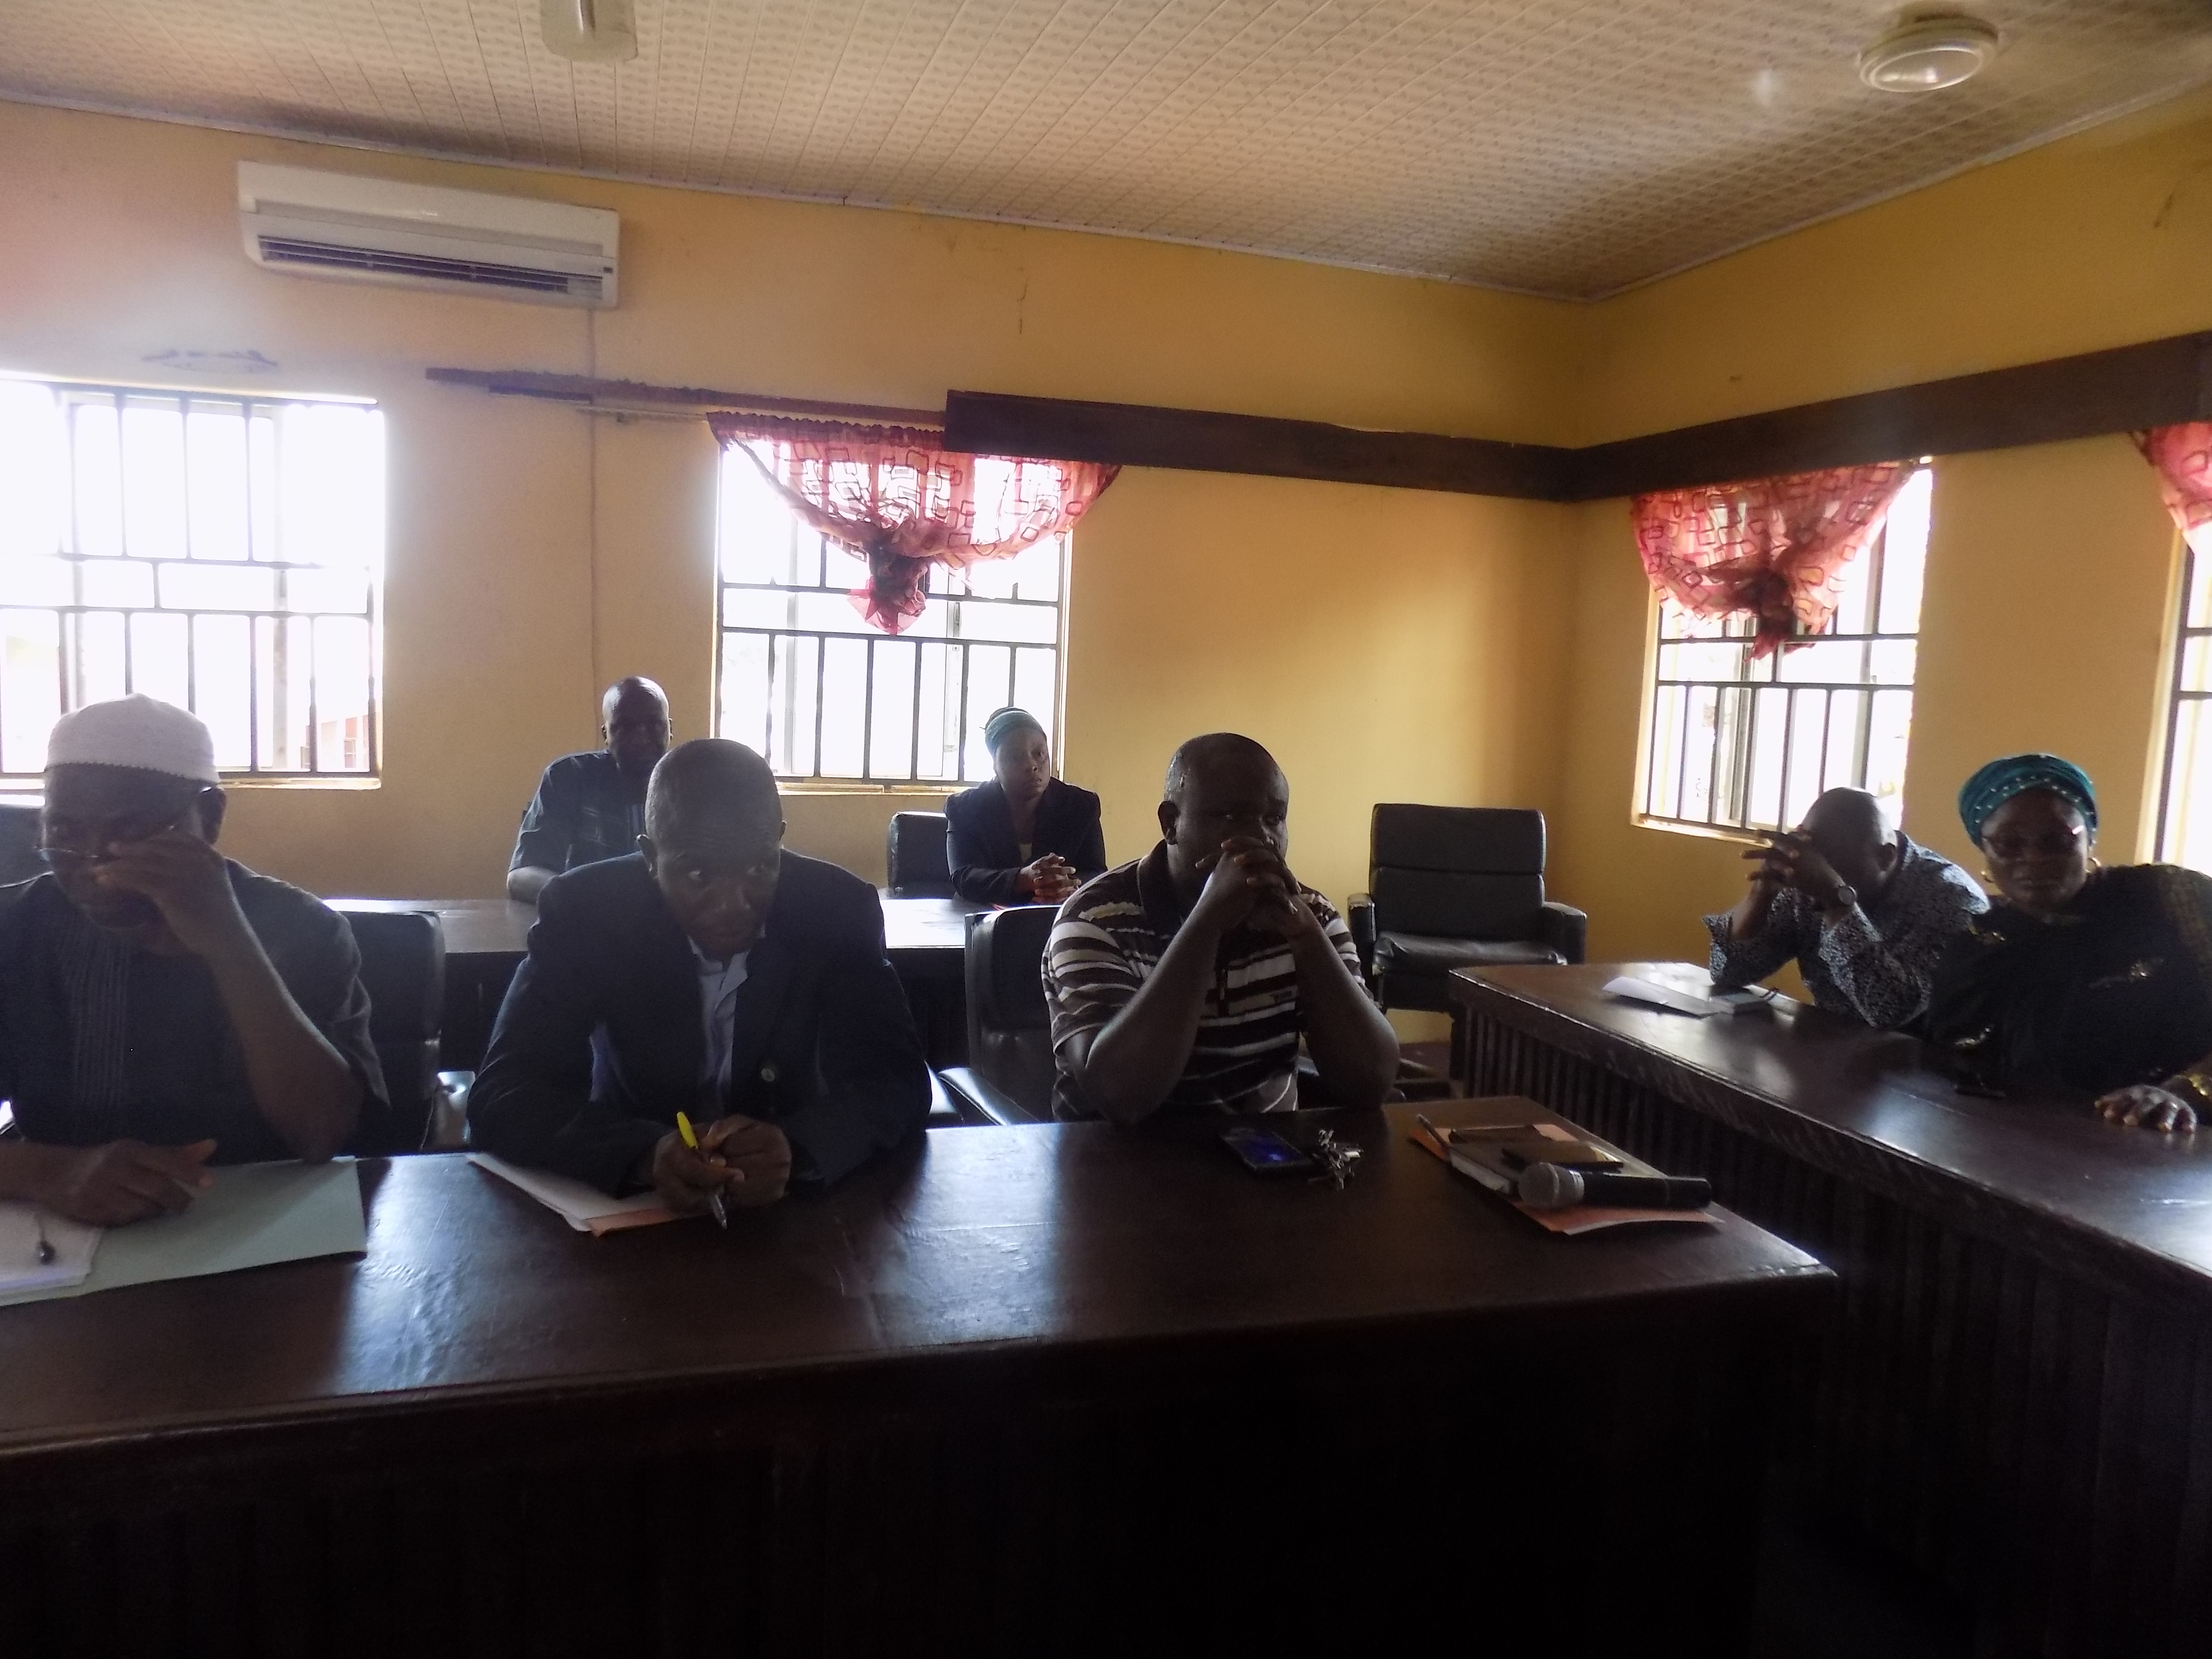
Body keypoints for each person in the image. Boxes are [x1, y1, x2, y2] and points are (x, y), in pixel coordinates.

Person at [470, 738, 930, 1208]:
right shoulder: (587, 912)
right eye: (697, 875)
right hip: (630, 1208)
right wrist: (643, 1153)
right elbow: (504, 1093)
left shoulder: (836, 908)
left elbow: (898, 1081)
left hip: (790, 1207)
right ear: (651, 858)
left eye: (759, 867)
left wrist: (798, 1147)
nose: (733, 904)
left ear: (778, 840)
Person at [0, 696, 386, 1225]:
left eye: (129, 833)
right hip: (59, 1235)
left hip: (256, 1229)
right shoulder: (15, 926)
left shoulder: (299, 928)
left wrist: (228, 941)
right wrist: (46, 1171)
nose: (95, 867)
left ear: (210, 816)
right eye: (64, 833)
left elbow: (321, 1135)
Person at [1043, 732, 1398, 1122]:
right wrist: (1207, 922)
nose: (1262, 838)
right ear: (1170, 823)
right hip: (1116, 1156)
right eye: (1231, 817)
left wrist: (1307, 939)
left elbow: (1372, 1083)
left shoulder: (1312, 916)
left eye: (1275, 819)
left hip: (1262, 1153)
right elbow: (1120, 1096)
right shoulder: (1094, 920)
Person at [1925, 754, 2212, 1133]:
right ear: (1985, 850)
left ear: (2090, 837)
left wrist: (2185, 1090)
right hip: (2029, 1142)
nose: (2034, 859)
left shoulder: (2171, 900)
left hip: (2177, 1141)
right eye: (2009, 844)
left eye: (2057, 841)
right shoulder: (1980, 945)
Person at [1706, 786, 1986, 1028]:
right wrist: (1761, 894)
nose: (1816, 871)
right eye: (1812, 857)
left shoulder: (1952, 899)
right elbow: (1728, 972)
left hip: (1926, 1062)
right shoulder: (1805, 876)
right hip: (1832, 1049)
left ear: (1885, 857)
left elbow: (1891, 1013)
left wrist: (1836, 900)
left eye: (1830, 864)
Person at [507, 676, 672, 902]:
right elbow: (521, 876)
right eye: (625, 727)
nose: (641, 739)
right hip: (585, 916)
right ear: (606, 735)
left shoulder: (691, 783)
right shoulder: (569, 778)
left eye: (654, 725)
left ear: (670, 729)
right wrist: (590, 901)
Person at [945, 707, 1107, 905]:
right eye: (1015, 757)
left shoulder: (1081, 806)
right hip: (983, 915)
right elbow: (965, 876)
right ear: (995, 765)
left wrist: (1065, 886)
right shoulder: (965, 808)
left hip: (1058, 914)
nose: (1031, 765)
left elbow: (1097, 872)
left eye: (1039, 754)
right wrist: (1023, 879)